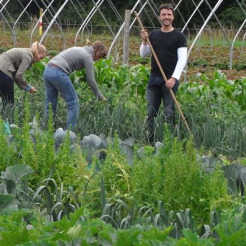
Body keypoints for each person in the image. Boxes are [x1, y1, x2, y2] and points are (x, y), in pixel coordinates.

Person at [139, 3, 187, 144]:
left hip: (170, 81)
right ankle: (150, 142)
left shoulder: (179, 36)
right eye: (164, 14)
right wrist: (144, 41)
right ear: (160, 17)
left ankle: (168, 143)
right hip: (154, 79)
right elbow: (143, 54)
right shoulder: (153, 35)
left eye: (169, 14)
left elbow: (182, 59)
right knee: (151, 113)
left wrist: (173, 78)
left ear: (173, 17)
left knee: (169, 114)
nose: (166, 17)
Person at [43, 40, 107, 130]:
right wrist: (100, 97)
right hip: (59, 72)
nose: (98, 59)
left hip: (48, 71)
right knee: (73, 103)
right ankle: (70, 135)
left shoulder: (80, 49)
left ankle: (46, 130)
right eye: (99, 56)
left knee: (50, 102)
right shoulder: (87, 56)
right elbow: (91, 80)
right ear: (96, 50)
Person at [0, 41, 47, 106]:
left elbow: (16, 77)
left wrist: (27, 88)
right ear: (37, 52)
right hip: (4, 71)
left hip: (2, 70)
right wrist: (29, 87)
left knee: (5, 99)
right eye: (41, 57)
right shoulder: (28, 56)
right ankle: (8, 116)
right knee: (9, 104)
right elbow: (18, 76)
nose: (40, 60)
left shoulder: (26, 52)